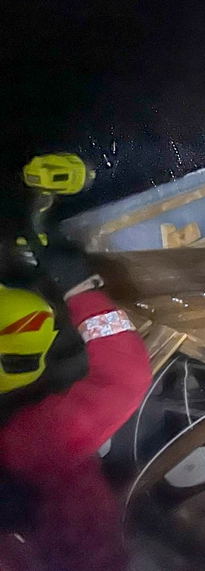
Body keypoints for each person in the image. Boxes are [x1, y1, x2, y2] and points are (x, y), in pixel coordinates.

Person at [0, 239, 152, 571]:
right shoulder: (38, 448)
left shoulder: (35, 450)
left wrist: (78, 287)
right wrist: (80, 289)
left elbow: (124, 379)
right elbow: (123, 379)